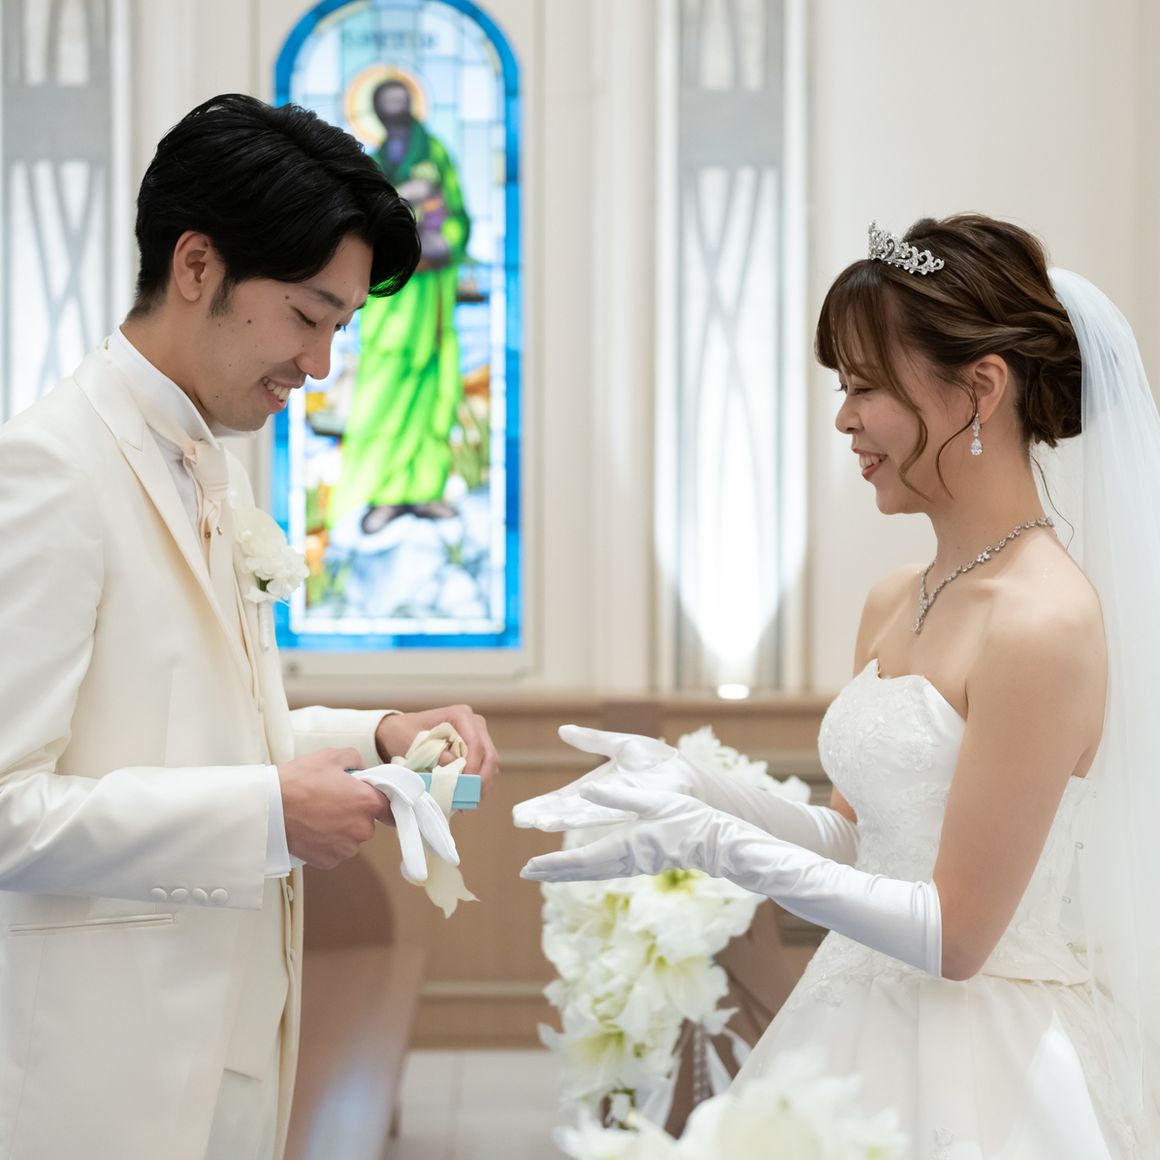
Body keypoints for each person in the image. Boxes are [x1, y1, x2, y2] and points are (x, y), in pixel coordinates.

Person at [517, 215, 1160, 1157]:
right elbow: (862, 844)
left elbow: (957, 937)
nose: (844, 419)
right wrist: (702, 790)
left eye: (866, 386)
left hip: (980, 1056)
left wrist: (725, 848)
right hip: (848, 1007)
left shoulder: (1044, 620)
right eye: (843, 387)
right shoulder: (898, 596)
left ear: (981, 388)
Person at [0, 93, 499, 1160]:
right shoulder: (51, 468)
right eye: (309, 317)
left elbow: (194, 724)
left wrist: (376, 739)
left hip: (231, 1058)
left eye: (339, 329)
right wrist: (266, 813)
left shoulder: (211, 464)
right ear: (197, 265)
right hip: (106, 1076)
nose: (319, 366)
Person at [327, 79, 471, 534]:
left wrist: (443, 243)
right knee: (384, 388)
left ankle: (426, 489)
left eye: (400, 100)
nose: (394, 108)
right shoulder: (372, 162)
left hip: (429, 293)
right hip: (390, 298)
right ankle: (384, 494)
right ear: (375, 111)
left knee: (431, 388)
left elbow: (457, 216)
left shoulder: (436, 154)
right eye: (385, 102)